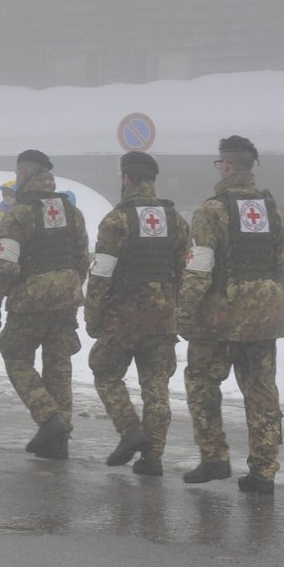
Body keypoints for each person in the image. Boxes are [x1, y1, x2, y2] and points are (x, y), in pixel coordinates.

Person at [178, 135, 284, 495]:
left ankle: (214, 456)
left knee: (201, 381)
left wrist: (184, 311)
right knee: (261, 391)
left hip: (221, 317)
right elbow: (280, 261)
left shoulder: (212, 211)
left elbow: (199, 268)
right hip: (266, 314)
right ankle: (264, 471)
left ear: (226, 165)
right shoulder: (272, 209)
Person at [84, 151, 191, 476]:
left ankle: (130, 430)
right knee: (156, 388)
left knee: (104, 372)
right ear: (151, 180)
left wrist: (93, 315)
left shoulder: (117, 220)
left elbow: (101, 273)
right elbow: (185, 271)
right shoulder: (175, 221)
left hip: (124, 317)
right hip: (163, 319)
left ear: (127, 179)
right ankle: (153, 458)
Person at [0, 148, 88, 459]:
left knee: (15, 356)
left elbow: (6, 264)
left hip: (30, 300)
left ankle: (48, 417)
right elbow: (82, 259)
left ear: (26, 174)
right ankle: (60, 441)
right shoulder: (72, 212)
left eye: (18, 173)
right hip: (66, 298)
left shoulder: (18, 214)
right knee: (59, 365)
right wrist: (68, 288)